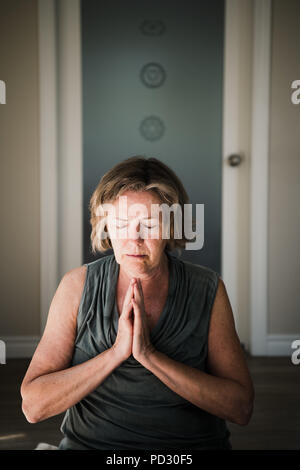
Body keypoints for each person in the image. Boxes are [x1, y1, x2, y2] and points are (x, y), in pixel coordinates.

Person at [21, 156, 254, 450]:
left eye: (149, 225)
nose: (134, 239)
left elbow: (240, 408)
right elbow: (33, 406)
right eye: (121, 224)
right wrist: (115, 353)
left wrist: (150, 355)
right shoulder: (76, 286)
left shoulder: (207, 288)